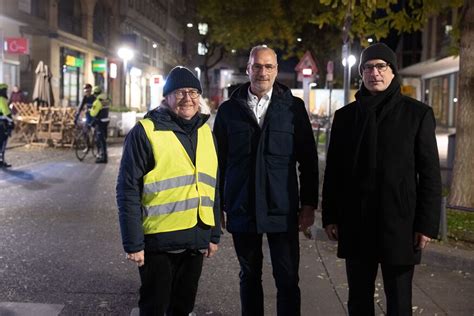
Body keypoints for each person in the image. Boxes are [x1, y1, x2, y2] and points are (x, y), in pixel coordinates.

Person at [322, 43, 441, 316]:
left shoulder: (417, 114)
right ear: (361, 73)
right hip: (356, 222)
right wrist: (330, 215)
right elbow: (334, 172)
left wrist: (426, 224)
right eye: (368, 67)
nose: (374, 72)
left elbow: (430, 174)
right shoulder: (345, 118)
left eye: (381, 66)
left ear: (392, 71)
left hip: (400, 224)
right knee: (359, 301)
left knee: (399, 302)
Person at [213, 45, 319, 315]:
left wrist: (308, 205)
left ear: (276, 70)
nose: (263, 72)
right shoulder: (228, 111)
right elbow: (218, 163)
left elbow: (307, 160)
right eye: (257, 66)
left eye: (269, 66)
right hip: (242, 205)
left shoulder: (293, 108)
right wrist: (218, 206)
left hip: (282, 208)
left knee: (287, 279)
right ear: (247, 69)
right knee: (248, 277)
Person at [117, 66, 220, 315]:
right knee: (155, 306)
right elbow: (127, 190)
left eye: (194, 92)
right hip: (158, 242)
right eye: (180, 92)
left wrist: (214, 233)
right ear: (167, 97)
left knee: (182, 307)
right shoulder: (146, 131)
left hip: (195, 237)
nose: (188, 98)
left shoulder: (205, 131)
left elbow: (213, 185)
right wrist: (133, 243)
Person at [90, 91, 110, 163]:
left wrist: (90, 110)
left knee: (101, 140)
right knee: (103, 139)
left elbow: (93, 113)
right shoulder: (106, 100)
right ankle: (102, 155)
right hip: (105, 121)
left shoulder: (97, 102)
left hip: (100, 122)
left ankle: (103, 158)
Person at [0, 83, 14, 168]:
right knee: (2, 143)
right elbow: (6, 113)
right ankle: (1, 161)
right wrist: (11, 122)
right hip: (2, 125)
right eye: (5, 90)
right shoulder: (1, 99)